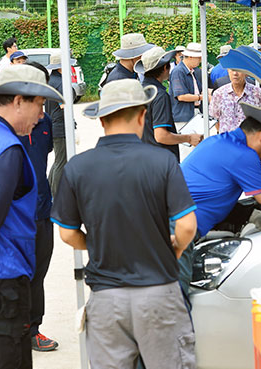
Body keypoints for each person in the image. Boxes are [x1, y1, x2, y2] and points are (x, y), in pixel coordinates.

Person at [51, 79, 198, 369]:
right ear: (143, 115)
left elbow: (67, 234)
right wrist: (175, 250)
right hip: (158, 293)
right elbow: (187, 227)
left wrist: (93, 243)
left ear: (102, 118)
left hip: (106, 299)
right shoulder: (162, 162)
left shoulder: (77, 168)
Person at [0, 64, 63, 369]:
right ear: (18, 101)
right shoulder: (9, 149)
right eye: (39, 105)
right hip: (0, 279)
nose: (41, 115)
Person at [179, 103, 261, 288]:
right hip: (173, 232)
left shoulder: (216, 142)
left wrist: (249, 213)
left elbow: (214, 197)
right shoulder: (243, 155)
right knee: (174, 301)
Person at [15, 61, 59, 352]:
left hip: (42, 212)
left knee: (38, 273)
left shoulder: (44, 122)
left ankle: (33, 329)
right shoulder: (3, 129)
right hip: (14, 217)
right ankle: (15, 330)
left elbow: (46, 156)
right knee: (16, 276)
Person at [135, 46, 203, 161]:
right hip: (160, 159)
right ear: (165, 67)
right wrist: (188, 138)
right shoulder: (160, 96)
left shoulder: (138, 90)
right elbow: (161, 136)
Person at [45, 51, 75, 197]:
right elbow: (64, 106)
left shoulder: (51, 80)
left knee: (58, 160)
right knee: (61, 162)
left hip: (53, 124)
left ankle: (50, 188)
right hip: (61, 126)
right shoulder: (61, 82)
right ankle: (56, 195)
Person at [210, 68, 261, 133]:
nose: (235, 73)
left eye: (238, 70)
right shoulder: (219, 93)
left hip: (249, 140)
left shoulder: (257, 93)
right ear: (228, 71)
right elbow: (214, 118)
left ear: (245, 72)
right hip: (227, 140)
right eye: (232, 70)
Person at [170, 42, 204, 124]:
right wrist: (201, 97)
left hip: (193, 114)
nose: (200, 60)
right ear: (191, 57)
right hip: (182, 118)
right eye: (199, 58)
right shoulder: (178, 72)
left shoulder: (193, 71)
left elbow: (199, 90)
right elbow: (181, 96)